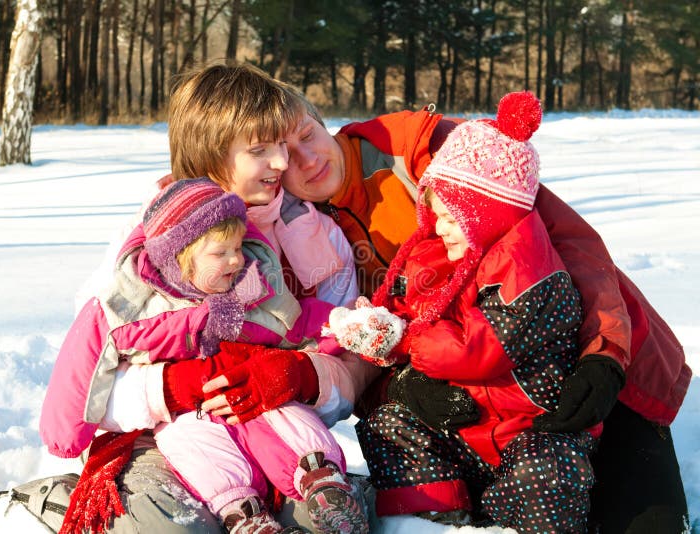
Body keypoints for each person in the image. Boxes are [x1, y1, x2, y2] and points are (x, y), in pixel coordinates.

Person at [198, 83, 690, 531]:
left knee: (649, 524)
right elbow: (362, 340)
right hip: (481, 416)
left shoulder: (435, 153)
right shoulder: (298, 231)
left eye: (307, 134)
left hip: (591, 369)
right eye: (284, 152)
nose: (304, 160)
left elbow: (567, 246)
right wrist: (400, 387)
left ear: (323, 121)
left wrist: (604, 353)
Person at [37, 63, 377, 534]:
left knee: (321, 523)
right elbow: (92, 371)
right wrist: (173, 385)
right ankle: (62, 502)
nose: (281, 163)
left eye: (280, 143)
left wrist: (301, 374)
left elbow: (349, 366)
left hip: (280, 430)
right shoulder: (150, 246)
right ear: (211, 157)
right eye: (260, 150)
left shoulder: (319, 239)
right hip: (166, 438)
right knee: (180, 526)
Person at [347, 92, 597, 532]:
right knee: (388, 424)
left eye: (449, 215)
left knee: (545, 471)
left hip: (530, 431)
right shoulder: (443, 257)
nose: (439, 227)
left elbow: (481, 348)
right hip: (468, 429)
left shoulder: (528, 270)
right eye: (435, 215)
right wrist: (379, 326)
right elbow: (408, 304)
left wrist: (403, 339)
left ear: (486, 210)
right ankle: (431, 519)